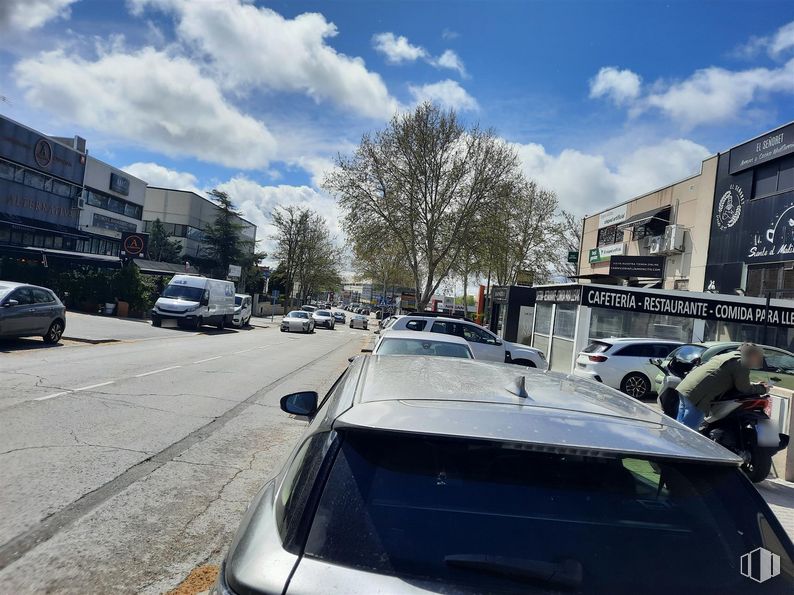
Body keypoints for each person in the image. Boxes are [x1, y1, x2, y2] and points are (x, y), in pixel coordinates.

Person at [675, 343, 767, 429]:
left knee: (679, 425)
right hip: (697, 395)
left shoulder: (726, 356)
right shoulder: (741, 362)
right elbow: (744, 388)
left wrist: (755, 385)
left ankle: (674, 443)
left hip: (686, 387)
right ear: (752, 355)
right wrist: (763, 389)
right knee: (688, 431)